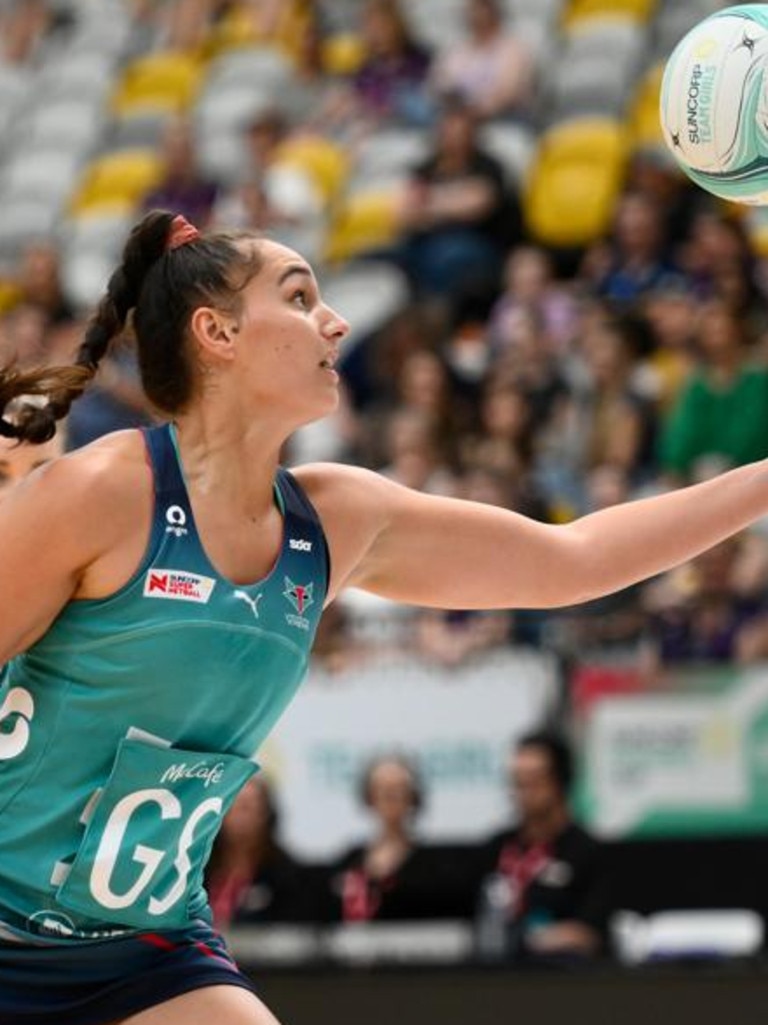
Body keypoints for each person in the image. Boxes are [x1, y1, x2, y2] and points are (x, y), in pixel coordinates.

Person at [2, 210, 768, 1023]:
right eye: (299, 298)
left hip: (145, 947)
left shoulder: (335, 519)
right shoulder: (103, 491)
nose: (335, 321)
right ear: (216, 331)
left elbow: (575, 559)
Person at [474, 732, 610, 963]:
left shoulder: (587, 851)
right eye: (517, 781)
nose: (523, 791)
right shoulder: (495, 847)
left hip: (559, 980)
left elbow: (591, 933)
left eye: (533, 780)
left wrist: (529, 940)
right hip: (493, 977)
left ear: (560, 781)